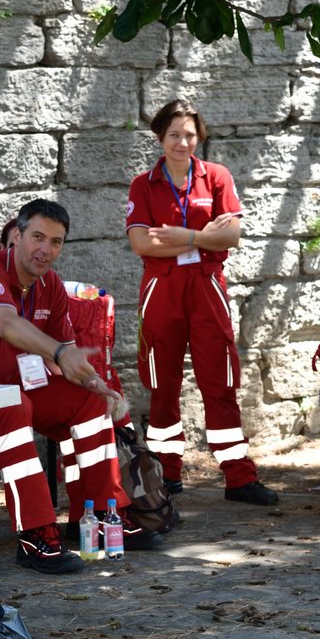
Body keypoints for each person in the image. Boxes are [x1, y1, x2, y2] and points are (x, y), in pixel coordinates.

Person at [0, 199, 160, 572]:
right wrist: (57, 351)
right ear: (17, 237)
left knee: (86, 402)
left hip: (6, 387)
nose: (46, 250)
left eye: (56, 242)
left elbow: (67, 354)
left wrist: (94, 382)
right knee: (13, 405)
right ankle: (35, 534)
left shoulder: (50, 285)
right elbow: (8, 325)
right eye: (37, 237)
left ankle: (102, 517)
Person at [125, 98, 278, 507]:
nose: (182, 142)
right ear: (160, 137)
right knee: (162, 382)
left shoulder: (216, 177)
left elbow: (231, 237)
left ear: (199, 136)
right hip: (162, 287)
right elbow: (140, 241)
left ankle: (239, 476)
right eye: (174, 134)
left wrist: (182, 236)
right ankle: (167, 472)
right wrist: (200, 233)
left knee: (221, 378)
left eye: (189, 134)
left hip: (207, 284)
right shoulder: (144, 184)